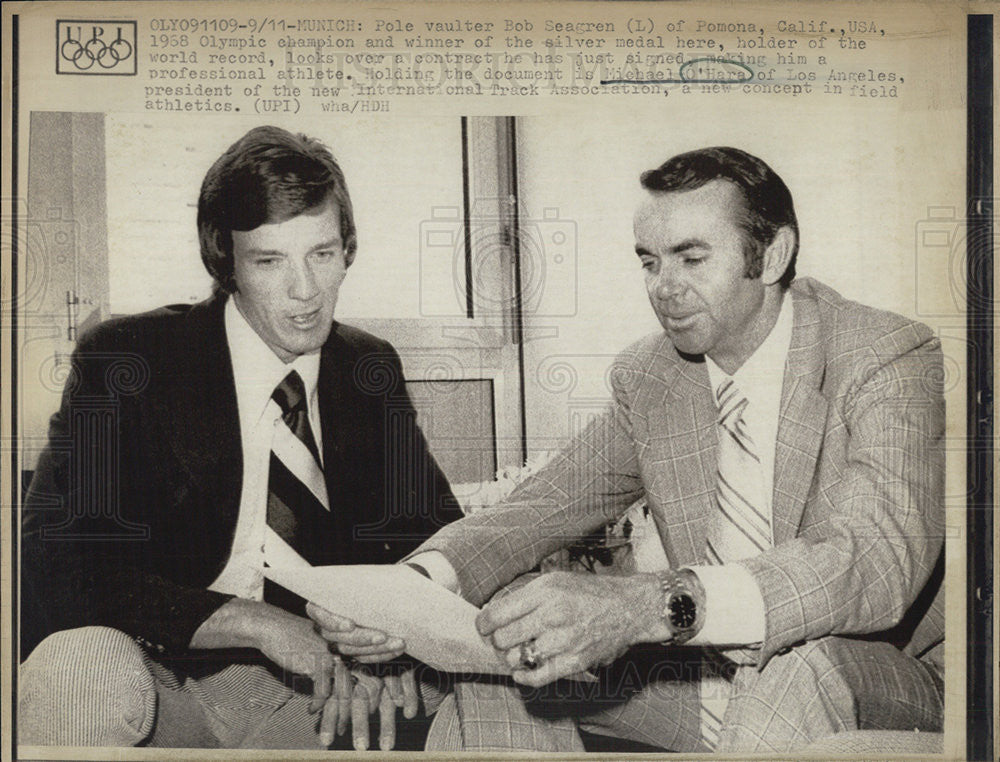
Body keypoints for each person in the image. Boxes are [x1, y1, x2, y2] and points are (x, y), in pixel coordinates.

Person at [412, 146, 946, 753]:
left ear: (772, 256)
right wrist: (412, 587)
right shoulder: (653, 377)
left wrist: (650, 604)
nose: (665, 288)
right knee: (515, 657)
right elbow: (539, 508)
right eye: (649, 262)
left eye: (692, 258)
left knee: (790, 667)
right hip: (709, 680)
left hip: (875, 675)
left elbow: (876, 562)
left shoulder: (884, 356)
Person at [19, 125, 462, 750]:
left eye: (322, 254)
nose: (305, 291)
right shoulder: (130, 359)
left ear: (348, 250)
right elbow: (56, 566)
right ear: (225, 261)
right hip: (162, 673)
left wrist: (399, 641)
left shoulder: (369, 369)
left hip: (311, 698)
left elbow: (438, 540)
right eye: (270, 260)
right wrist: (253, 622)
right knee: (77, 667)